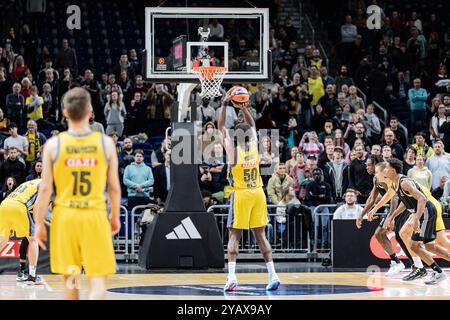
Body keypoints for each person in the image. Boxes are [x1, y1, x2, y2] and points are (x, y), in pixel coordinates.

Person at [33, 87, 121, 300]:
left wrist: (38, 223)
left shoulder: (54, 144)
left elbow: (45, 189)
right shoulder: (105, 143)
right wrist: (115, 216)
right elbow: (114, 187)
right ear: (90, 111)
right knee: (97, 282)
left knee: (71, 281)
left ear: (64, 112)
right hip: (94, 215)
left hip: (66, 218)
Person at [218, 88, 279, 291]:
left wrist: (226, 103)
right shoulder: (254, 146)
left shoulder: (232, 151)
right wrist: (244, 108)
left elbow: (220, 127)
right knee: (261, 236)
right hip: (258, 193)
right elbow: (252, 125)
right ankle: (273, 275)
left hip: (241, 194)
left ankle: (232, 277)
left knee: (234, 237)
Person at [368, 158, 449, 284]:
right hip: (423, 212)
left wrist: (416, 218)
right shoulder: (395, 182)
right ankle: (436, 272)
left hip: (426, 211)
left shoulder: (404, 182)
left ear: (393, 171)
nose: (384, 170)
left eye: (386, 168)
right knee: (429, 246)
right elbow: (399, 200)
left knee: (414, 245)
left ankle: (437, 272)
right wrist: (389, 214)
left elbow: (422, 198)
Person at [357, 158, 415, 276]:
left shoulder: (387, 178)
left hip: (403, 207)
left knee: (400, 236)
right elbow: (371, 199)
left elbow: (394, 197)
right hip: (395, 209)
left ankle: (414, 264)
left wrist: (391, 217)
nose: (366, 167)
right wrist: (361, 215)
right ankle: (397, 261)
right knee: (380, 234)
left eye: (369, 165)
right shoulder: (376, 179)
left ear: (376, 166)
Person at [0, 179, 43, 284]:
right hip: (18, 206)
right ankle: (32, 276)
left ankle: (23, 273)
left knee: (3, 241)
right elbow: (37, 205)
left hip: (4, 204)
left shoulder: (31, 182)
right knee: (33, 239)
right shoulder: (46, 184)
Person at [305, 167, 332, 249]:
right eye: (315, 174)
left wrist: (315, 196)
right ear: (312, 175)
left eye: (319, 174)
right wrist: (320, 196)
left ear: (322, 175)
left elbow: (328, 197)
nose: (317, 176)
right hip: (314, 207)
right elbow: (309, 197)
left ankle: (324, 244)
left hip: (324, 207)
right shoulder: (309, 185)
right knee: (315, 226)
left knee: (324, 226)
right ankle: (315, 245)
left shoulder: (326, 185)